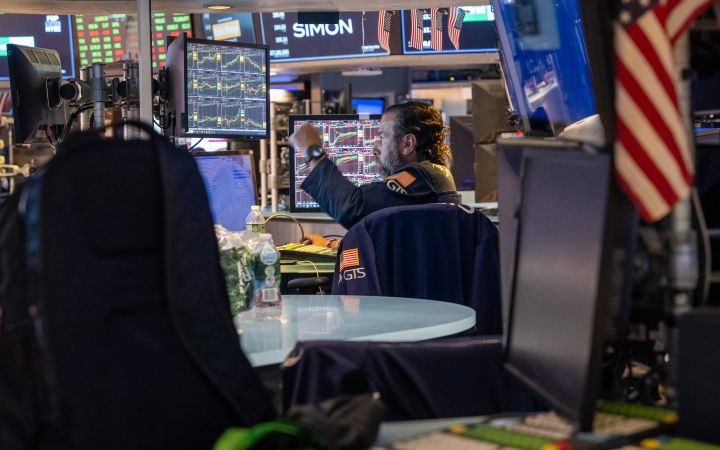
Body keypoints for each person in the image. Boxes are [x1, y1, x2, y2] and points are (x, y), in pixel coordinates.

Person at [289, 102, 460, 229]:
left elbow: (353, 208)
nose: (374, 149)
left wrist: (313, 151)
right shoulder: (433, 177)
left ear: (408, 143)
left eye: (382, 138)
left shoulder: (421, 177)